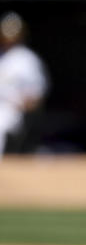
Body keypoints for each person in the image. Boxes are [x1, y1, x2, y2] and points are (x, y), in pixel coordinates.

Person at [0, 12, 48, 157]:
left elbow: (37, 95)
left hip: (12, 112)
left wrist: (25, 109)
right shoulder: (2, 57)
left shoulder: (27, 59)